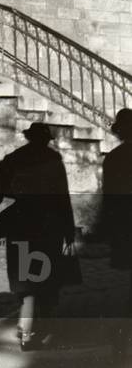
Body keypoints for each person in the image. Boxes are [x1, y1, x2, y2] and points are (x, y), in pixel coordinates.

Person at [0, 122, 75, 352]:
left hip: (20, 222)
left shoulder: (12, 159)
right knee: (45, 277)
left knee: (24, 277)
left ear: (29, 138)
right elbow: (63, 197)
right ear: (46, 140)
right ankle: (34, 326)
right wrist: (69, 230)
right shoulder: (53, 160)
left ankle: (26, 325)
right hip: (49, 225)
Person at [101, 108, 132, 353]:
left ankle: (122, 337)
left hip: (123, 226)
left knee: (125, 281)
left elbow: (109, 199)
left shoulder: (112, 158)